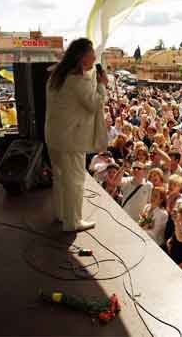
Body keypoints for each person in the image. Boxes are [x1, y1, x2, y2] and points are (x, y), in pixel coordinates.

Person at [45, 38, 108, 232]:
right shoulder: (76, 80)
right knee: (75, 180)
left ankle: (62, 214)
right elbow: (94, 104)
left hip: (54, 136)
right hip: (71, 139)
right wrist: (102, 85)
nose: (94, 57)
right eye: (92, 54)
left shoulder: (58, 74)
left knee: (60, 177)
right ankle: (73, 222)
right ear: (82, 57)